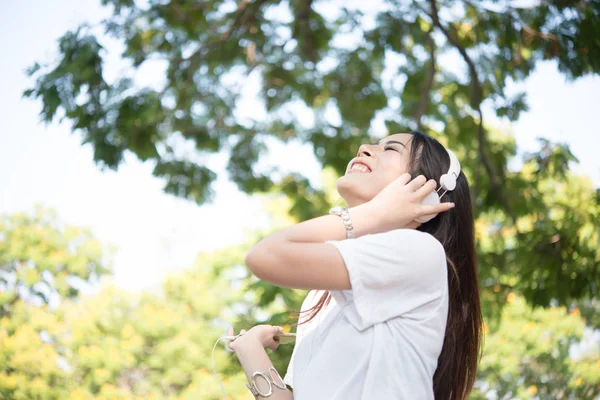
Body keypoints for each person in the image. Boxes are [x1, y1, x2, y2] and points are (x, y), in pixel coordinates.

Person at [226, 131, 483, 400]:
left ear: (427, 194)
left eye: (391, 149)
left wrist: (374, 215)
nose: (364, 148)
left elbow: (265, 255)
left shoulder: (420, 253)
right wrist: (251, 348)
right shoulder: (321, 299)